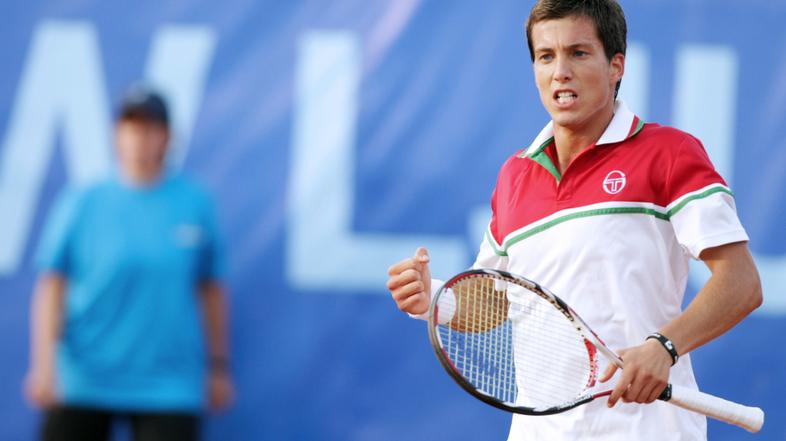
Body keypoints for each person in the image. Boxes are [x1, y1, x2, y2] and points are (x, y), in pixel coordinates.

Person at [386, 0, 762, 439]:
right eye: (546, 56)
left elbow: (741, 282)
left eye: (578, 53)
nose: (560, 71)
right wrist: (431, 298)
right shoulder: (515, 176)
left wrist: (664, 347)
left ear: (615, 66)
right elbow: (499, 300)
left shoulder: (670, 152)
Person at [25, 85, 234, 441]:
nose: (139, 139)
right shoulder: (82, 201)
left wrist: (217, 367)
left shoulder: (195, 203)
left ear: (166, 138)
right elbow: (52, 286)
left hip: (169, 383)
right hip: (85, 376)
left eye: (150, 128)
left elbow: (211, 290)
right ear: (116, 134)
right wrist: (44, 367)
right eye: (131, 127)